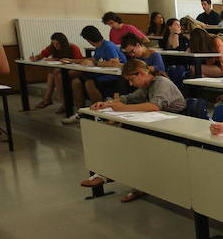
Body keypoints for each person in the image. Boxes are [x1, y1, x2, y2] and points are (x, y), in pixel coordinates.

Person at [80, 59, 187, 201]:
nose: (130, 84)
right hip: (160, 125)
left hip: (177, 126)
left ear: (141, 74)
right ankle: (122, 178)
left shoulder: (161, 83)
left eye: (131, 80)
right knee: (125, 134)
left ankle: (124, 179)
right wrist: (106, 104)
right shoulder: (148, 85)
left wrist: (122, 109)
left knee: (134, 141)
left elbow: (154, 106)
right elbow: (128, 99)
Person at [61, 25, 128, 123]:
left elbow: (114, 63)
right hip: (101, 74)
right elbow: (94, 60)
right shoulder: (98, 47)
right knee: (76, 82)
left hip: (114, 76)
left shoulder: (108, 46)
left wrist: (95, 63)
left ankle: (98, 113)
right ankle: (81, 112)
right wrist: (73, 61)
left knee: (89, 83)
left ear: (89, 40)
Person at [29, 32, 84, 110]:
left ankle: (51, 100)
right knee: (54, 73)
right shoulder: (52, 47)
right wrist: (35, 58)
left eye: (58, 44)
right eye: (53, 44)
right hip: (62, 70)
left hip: (75, 70)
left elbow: (80, 61)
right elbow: (42, 55)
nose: (56, 46)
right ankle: (60, 102)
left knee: (56, 74)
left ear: (63, 43)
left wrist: (60, 59)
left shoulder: (73, 47)